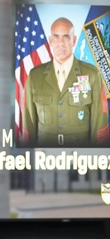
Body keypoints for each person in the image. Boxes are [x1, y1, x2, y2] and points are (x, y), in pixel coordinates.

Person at [22, 17, 109, 147]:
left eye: (66, 37)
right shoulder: (35, 76)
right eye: (56, 37)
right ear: (50, 41)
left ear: (74, 40)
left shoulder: (92, 74)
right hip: (45, 156)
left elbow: (99, 123)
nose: (60, 42)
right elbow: (28, 123)